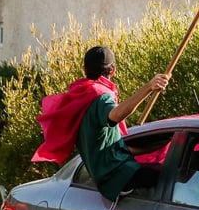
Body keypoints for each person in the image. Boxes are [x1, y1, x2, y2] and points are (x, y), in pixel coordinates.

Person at [34, 45, 170, 201]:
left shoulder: (79, 97)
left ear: (84, 69)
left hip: (110, 180)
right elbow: (116, 115)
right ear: (113, 71)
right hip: (121, 177)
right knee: (178, 179)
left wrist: (165, 142)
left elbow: (110, 148)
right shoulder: (99, 96)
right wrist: (149, 87)